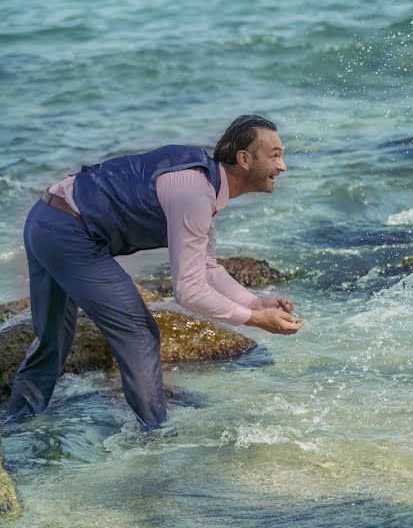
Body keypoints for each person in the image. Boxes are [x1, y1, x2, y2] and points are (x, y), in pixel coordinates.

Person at [6, 115, 304, 430]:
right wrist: (255, 321)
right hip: (71, 233)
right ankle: (155, 437)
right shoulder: (194, 193)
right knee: (140, 333)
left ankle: (15, 425)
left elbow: (206, 265)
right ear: (244, 159)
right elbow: (188, 290)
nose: (282, 166)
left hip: (45, 218)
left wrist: (255, 304)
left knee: (53, 339)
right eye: (275, 155)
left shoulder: (202, 183)